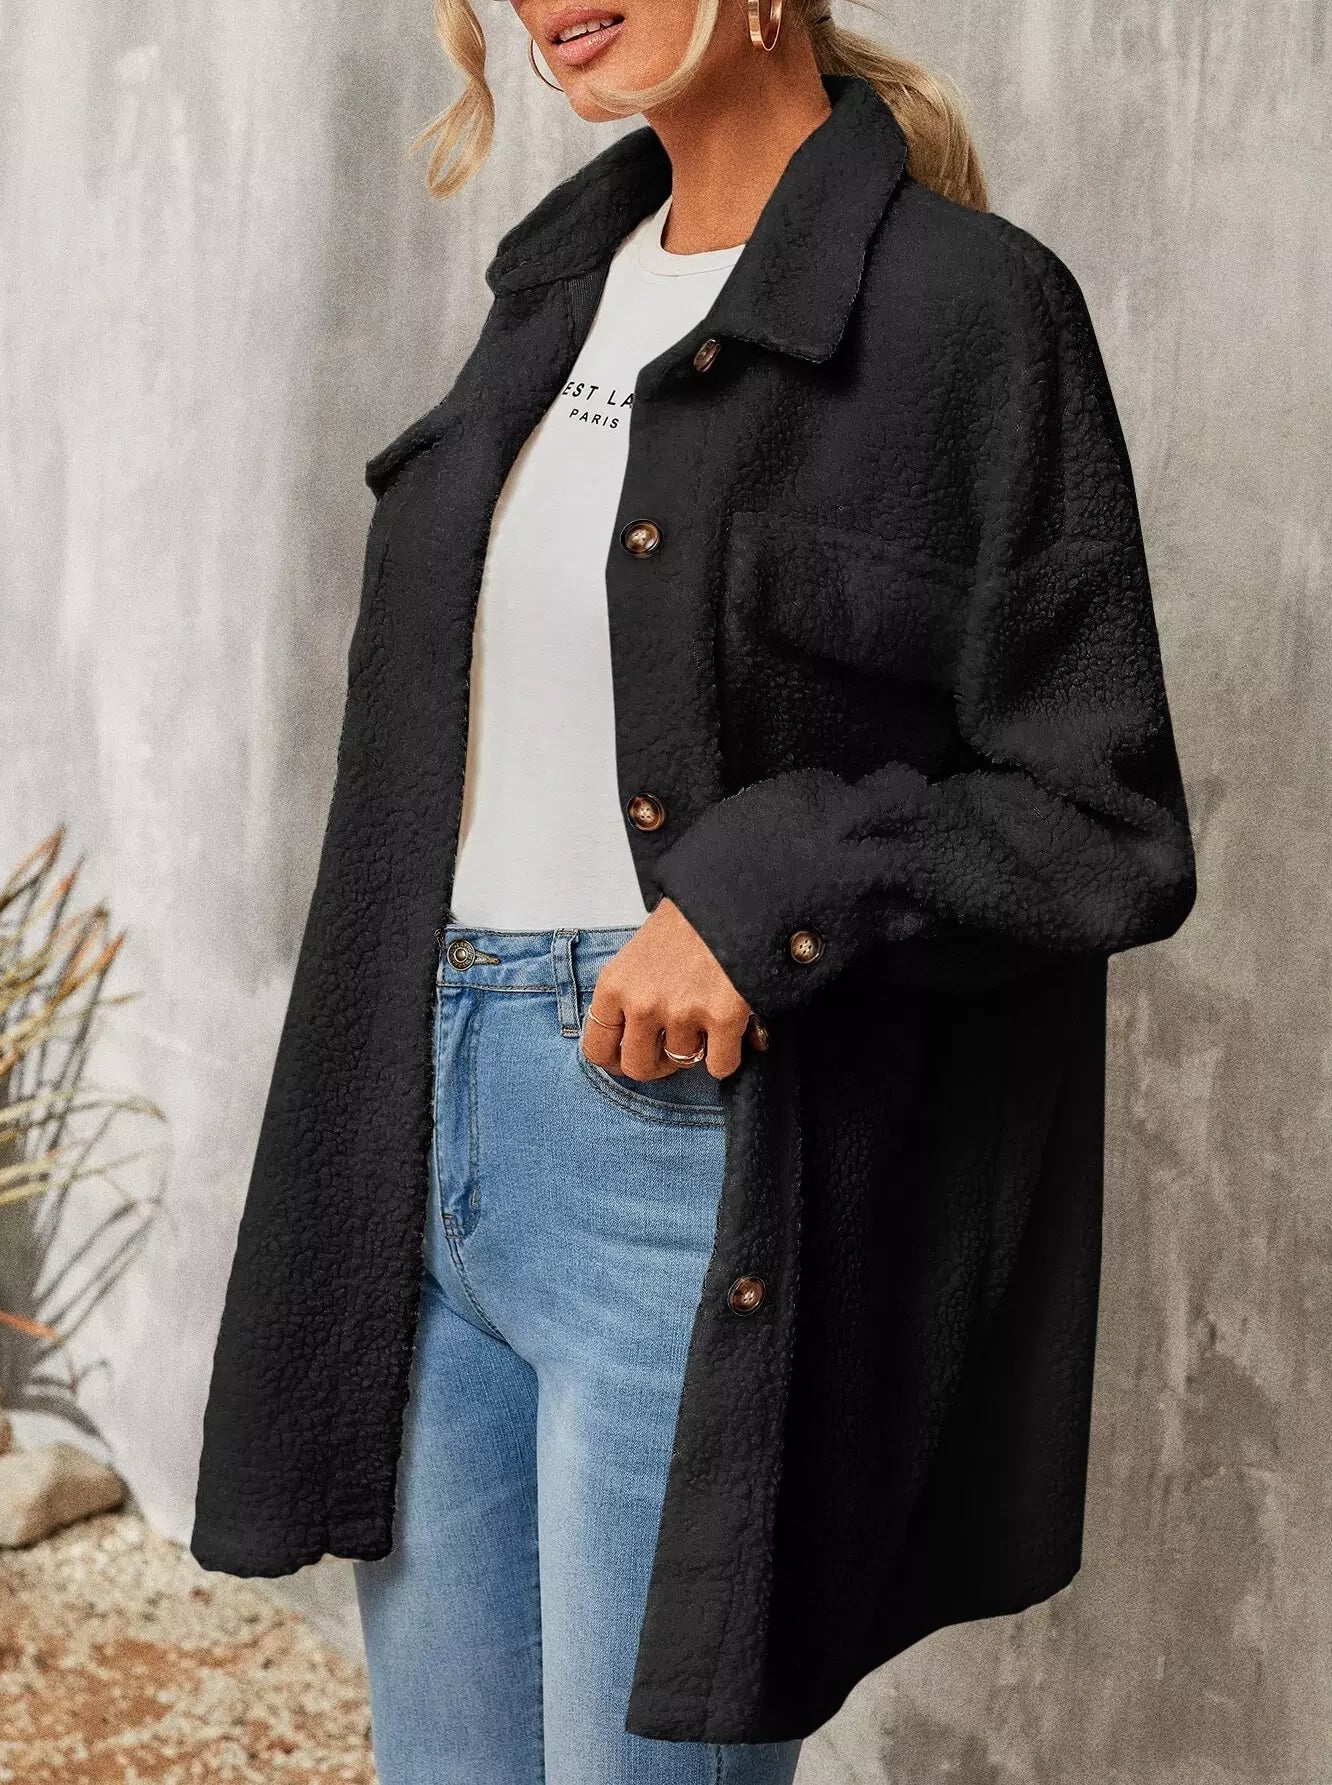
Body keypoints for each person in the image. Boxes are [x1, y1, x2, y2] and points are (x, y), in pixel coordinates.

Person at [191, 1, 1198, 1781]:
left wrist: (775, 887)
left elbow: (1099, 815)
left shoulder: (972, 312)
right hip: (423, 1146)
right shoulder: (548, 301)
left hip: (680, 1172)